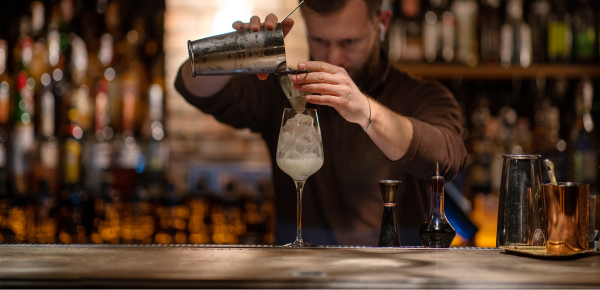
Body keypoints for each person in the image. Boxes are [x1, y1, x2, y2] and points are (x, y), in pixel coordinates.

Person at [175, 0, 468, 246]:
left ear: (382, 23)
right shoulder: (286, 89)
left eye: (349, 42)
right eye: (320, 41)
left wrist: (365, 110)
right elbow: (190, 86)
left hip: (392, 277)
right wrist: (234, 48)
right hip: (300, 276)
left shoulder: (422, 95)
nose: (334, 57)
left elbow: (446, 159)